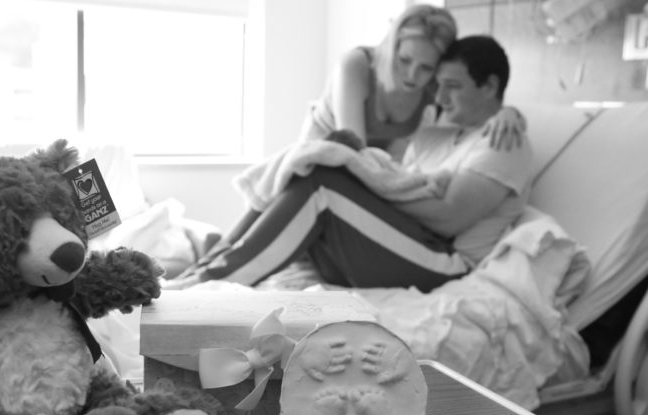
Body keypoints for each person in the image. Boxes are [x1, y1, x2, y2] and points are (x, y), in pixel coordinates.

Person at [166, 34, 533, 292]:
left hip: (443, 264)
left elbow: (449, 218)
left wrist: (510, 113)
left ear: (489, 86)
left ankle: (209, 286)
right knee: (310, 164)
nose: (439, 96)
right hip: (400, 243)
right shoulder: (438, 129)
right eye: (438, 84)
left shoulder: (504, 141)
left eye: (453, 86)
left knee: (323, 185)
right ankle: (206, 269)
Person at [299, 3, 524, 160]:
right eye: (404, 60)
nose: (412, 75)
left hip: (373, 165)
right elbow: (351, 151)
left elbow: (482, 109)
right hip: (325, 151)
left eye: (426, 67)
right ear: (391, 46)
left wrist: (509, 114)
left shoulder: (433, 87)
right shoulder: (355, 66)